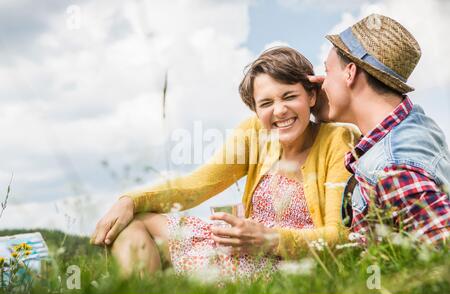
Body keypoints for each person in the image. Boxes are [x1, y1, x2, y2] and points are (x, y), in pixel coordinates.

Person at [91, 47, 359, 277]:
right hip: (239, 248)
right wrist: (130, 200)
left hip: (284, 266)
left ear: (310, 96)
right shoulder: (254, 133)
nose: (279, 110)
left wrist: (269, 239)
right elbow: (195, 186)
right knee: (132, 222)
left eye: (289, 96)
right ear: (255, 110)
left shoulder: (338, 139)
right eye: (265, 103)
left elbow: (341, 236)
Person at [308, 14, 450, 244]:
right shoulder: (414, 125)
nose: (322, 82)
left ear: (350, 72)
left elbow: (442, 250)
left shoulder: (392, 169)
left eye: (328, 71)